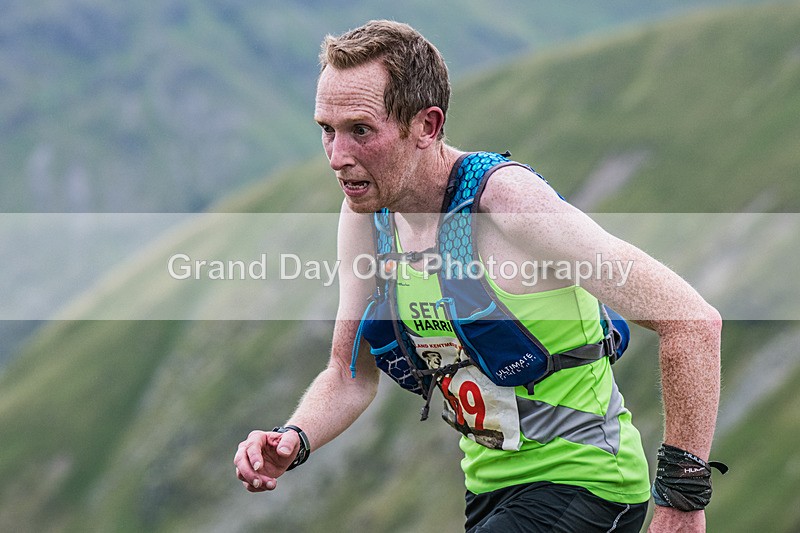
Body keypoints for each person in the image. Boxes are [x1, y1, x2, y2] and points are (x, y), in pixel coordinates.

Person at [234, 20, 723, 532]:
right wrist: (294, 438)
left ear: (426, 125)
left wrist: (680, 505)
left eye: (360, 130)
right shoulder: (366, 215)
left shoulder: (509, 206)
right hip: (489, 493)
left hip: (588, 485)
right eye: (326, 130)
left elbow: (691, 321)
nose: (338, 157)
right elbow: (348, 376)